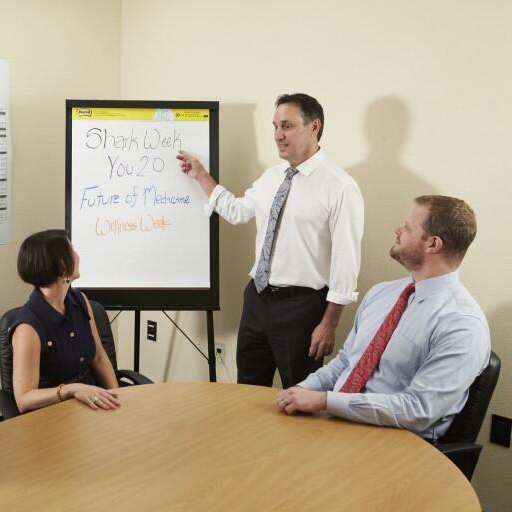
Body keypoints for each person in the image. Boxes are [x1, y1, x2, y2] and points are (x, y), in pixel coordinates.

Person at [177, 93, 364, 388]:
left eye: (287, 126)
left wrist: (329, 323)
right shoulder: (271, 177)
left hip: (302, 309)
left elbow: (347, 260)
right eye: (275, 126)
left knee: (300, 396)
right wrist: (201, 176)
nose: (278, 135)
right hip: (257, 300)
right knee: (248, 392)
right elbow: (237, 211)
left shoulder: (339, 187)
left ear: (314, 127)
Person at [276, 195, 490, 440]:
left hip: (400, 443)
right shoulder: (382, 293)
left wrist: (326, 401)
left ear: (433, 244)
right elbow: (347, 361)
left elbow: (417, 410)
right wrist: (303, 389)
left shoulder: (462, 325)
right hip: (338, 424)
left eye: (408, 228)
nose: (398, 230)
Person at [10, 229, 120, 413]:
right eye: (72, 251)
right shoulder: (28, 327)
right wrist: (70, 390)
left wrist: (117, 397)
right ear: (62, 265)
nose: (77, 256)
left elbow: (99, 357)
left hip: (93, 402)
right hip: (53, 411)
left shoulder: (80, 300)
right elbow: (24, 399)